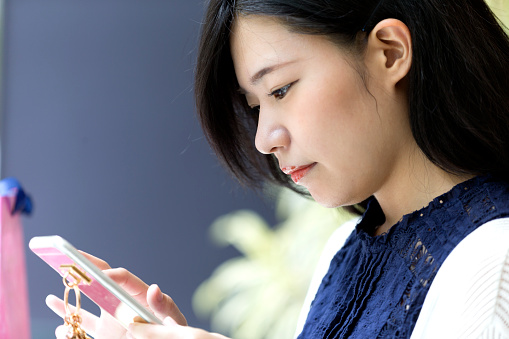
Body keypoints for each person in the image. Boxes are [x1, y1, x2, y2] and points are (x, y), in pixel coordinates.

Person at [47, 0, 509, 337]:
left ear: (389, 52)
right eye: (255, 106)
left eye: (282, 90)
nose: (264, 138)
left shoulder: (494, 259)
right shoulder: (344, 253)